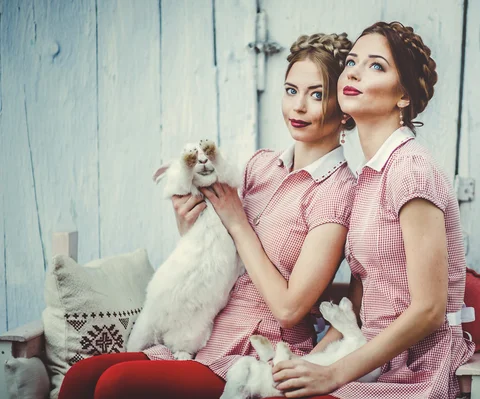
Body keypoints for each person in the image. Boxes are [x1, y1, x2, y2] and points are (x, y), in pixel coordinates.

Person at [58, 32, 356, 399]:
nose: (298, 106)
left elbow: (289, 308)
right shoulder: (262, 165)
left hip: (254, 354)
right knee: (82, 376)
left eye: (316, 94)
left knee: (115, 385)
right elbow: (217, 252)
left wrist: (236, 220)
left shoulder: (339, 191)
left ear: (344, 107)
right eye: (291, 90)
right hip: (204, 331)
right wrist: (188, 220)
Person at [271, 21, 475, 399]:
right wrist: (309, 366)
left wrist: (331, 375)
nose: (355, 73)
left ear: (403, 96)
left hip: (415, 369)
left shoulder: (411, 171)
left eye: (377, 66)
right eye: (352, 62)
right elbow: (361, 304)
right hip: (368, 357)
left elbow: (429, 310)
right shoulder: (369, 177)